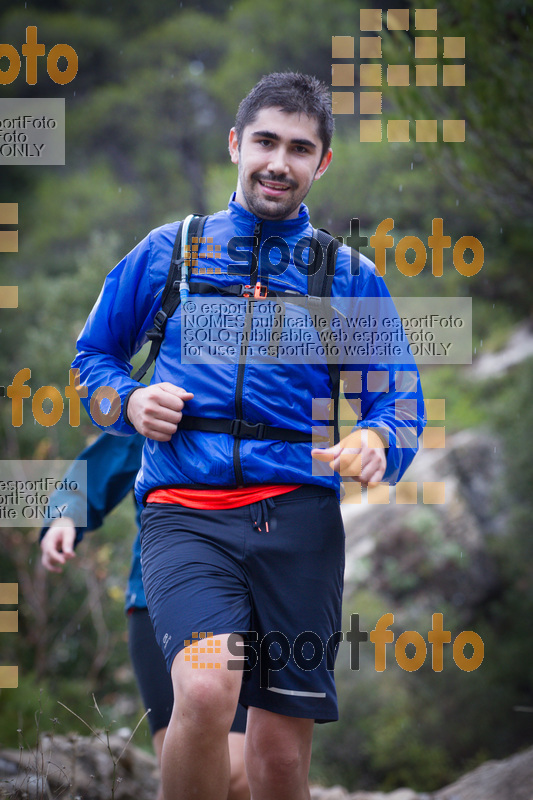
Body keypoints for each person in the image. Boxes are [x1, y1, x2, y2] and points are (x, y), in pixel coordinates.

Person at [72, 72, 425, 800]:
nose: (278, 162)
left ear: (321, 163)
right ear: (236, 144)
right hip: (185, 516)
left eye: (300, 148)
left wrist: (379, 441)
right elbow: (92, 360)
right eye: (265, 141)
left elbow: (396, 398)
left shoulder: (346, 276)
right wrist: (130, 401)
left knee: (276, 762)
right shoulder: (170, 252)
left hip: (299, 522)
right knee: (202, 693)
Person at [39, 432, 249, 800]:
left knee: (244, 775)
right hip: (163, 601)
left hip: (256, 603)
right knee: (203, 769)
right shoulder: (166, 394)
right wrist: (64, 517)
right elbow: (103, 462)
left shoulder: (274, 388)